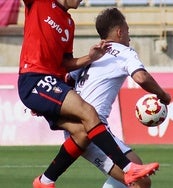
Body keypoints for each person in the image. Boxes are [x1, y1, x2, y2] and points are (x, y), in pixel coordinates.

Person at [18, 0, 159, 187]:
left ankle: (45, 181)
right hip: (34, 78)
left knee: (81, 133)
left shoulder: (68, 23)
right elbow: (141, 77)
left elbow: (66, 63)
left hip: (51, 84)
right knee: (88, 112)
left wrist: (90, 58)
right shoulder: (39, 3)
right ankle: (127, 168)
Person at [65, 7, 171, 188]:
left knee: (134, 173)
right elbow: (141, 77)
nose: (129, 37)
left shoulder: (92, 55)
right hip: (91, 131)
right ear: (120, 32)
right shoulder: (124, 52)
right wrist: (163, 95)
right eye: (128, 31)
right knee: (140, 181)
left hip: (75, 126)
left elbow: (67, 79)